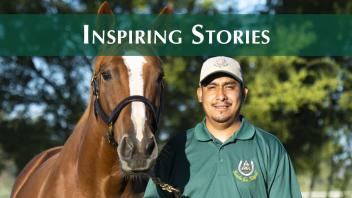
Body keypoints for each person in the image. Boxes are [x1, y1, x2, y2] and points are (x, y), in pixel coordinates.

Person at [144, 56, 302, 198]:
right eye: (212, 87)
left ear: (244, 94)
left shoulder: (270, 148)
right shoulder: (175, 149)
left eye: (229, 87)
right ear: (200, 94)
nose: (221, 96)